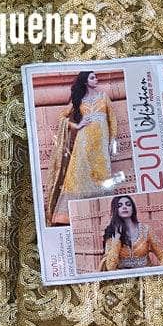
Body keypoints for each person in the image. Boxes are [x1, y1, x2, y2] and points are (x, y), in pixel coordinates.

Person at [45, 70, 119, 224]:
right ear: (85, 81)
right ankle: (69, 216)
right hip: (83, 143)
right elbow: (62, 117)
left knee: (102, 176)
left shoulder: (103, 97)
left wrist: (112, 142)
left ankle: (103, 214)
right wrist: (77, 126)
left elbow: (112, 121)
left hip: (101, 145)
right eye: (92, 77)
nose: (96, 79)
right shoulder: (79, 100)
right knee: (79, 176)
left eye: (96, 77)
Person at [101, 194, 163, 270]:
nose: (124, 207)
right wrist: (117, 239)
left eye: (128, 204)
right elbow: (110, 267)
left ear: (133, 208)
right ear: (115, 210)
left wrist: (159, 271)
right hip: (124, 275)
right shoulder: (112, 232)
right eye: (120, 205)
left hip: (146, 273)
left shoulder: (146, 229)